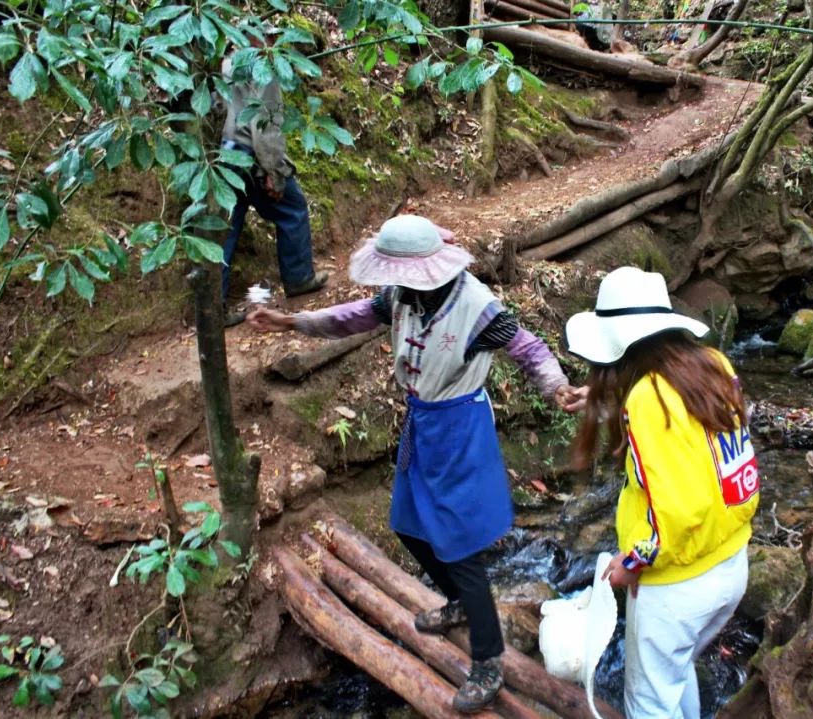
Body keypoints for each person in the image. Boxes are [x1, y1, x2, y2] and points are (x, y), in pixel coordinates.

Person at [248, 214, 580, 713]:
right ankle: (458, 602)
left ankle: (488, 661)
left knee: (460, 546)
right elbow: (354, 317)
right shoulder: (404, 296)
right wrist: (291, 322)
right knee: (409, 526)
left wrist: (556, 387)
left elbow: (527, 348)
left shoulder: (476, 308)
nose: (392, 282)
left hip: (460, 429)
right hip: (423, 423)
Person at [564, 266, 760, 719]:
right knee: (675, 670)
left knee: (649, 704)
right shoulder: (712, 364)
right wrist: (599, 397)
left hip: (677, 587)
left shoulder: (646, 401)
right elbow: (687, 432)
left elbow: (673, 512)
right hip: (731, 564)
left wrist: (630, 564)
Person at [220, 48, 328, 326]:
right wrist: (274, 170)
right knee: (292, 209)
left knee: (225, 230)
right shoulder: (263, 68)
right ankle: (299, 277)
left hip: (221, 156)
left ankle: (213, 306)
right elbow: (266, 125)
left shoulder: (223, 64)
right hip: (250, 155)